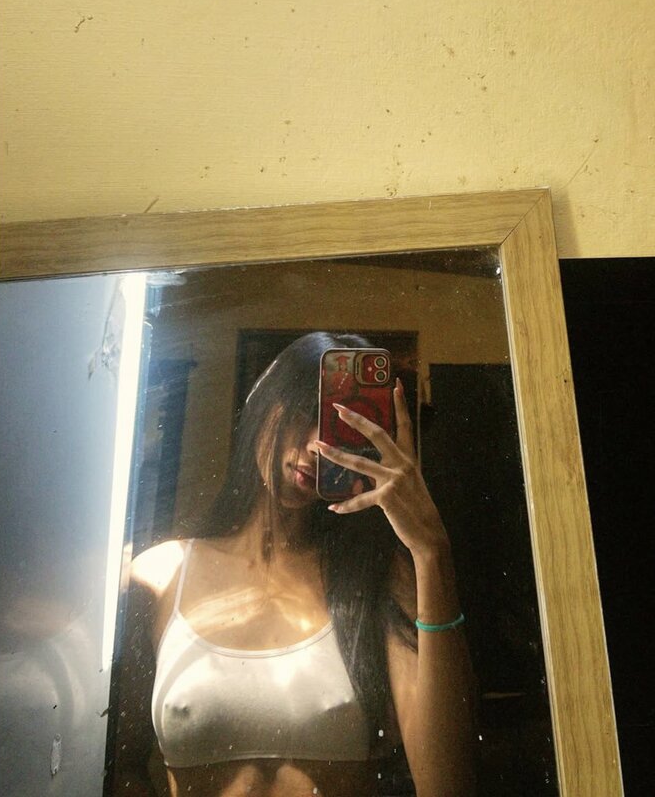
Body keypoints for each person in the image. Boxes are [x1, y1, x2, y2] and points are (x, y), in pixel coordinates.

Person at [111, 331, 477, 797]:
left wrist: (430, 550)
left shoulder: (378, 579)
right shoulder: (161, 575)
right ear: (266, 404)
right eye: (307, 413)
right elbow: (118, 769)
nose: (316, 446)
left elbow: (448, 786)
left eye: (341, 429)